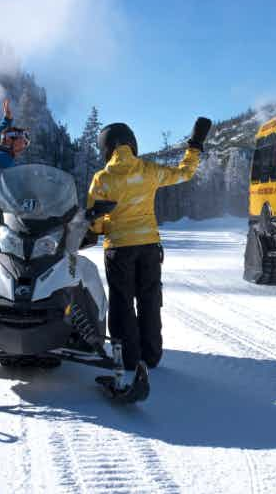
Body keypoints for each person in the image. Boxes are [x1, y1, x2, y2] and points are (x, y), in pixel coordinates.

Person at [87, 117, 211, 400]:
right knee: (149, 298)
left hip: (119, 247)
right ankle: (152, 355)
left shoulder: (102, 179)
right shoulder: (149, 170)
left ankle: (129, 359)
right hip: (149, 247)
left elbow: (95, 222)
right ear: (132, 143)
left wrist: (105, 226)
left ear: (105, 148)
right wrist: (195, 145)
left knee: (122, 302)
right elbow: (185, 172)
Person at [0, 98, 30, 192]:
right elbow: (12, 190)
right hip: (1, 205)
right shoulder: (3, 158)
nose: (24, 146)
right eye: (23, 141)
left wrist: (7, 119)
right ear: (9, 139)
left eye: (26, 144)